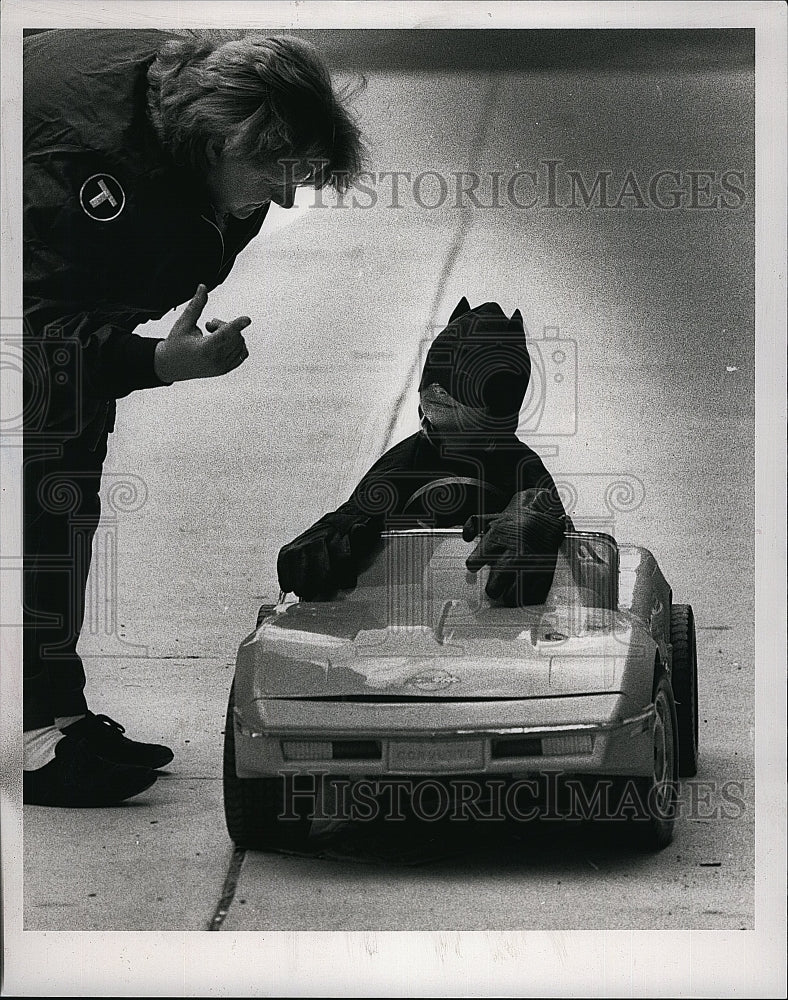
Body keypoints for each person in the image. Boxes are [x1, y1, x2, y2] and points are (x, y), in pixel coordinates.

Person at [23, 29, 365, 806]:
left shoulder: (203, 127)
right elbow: (32, 346)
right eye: (275, 173)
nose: (285, 199)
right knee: (39, 484)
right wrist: (152, 362)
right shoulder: (78, 165)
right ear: (217, 142)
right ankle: (35, 736)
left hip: (62, 281)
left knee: (62, 498)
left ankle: (52, 712)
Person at [277, 297, 571, 607]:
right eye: (430, 420)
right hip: (408, 615)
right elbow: (358, 513)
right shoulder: (407, 460)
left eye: (456, 423)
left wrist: (535, 514)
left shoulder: (522, 468)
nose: (439, 436)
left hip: (500, 616)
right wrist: (329, 535)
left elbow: (548, 516)